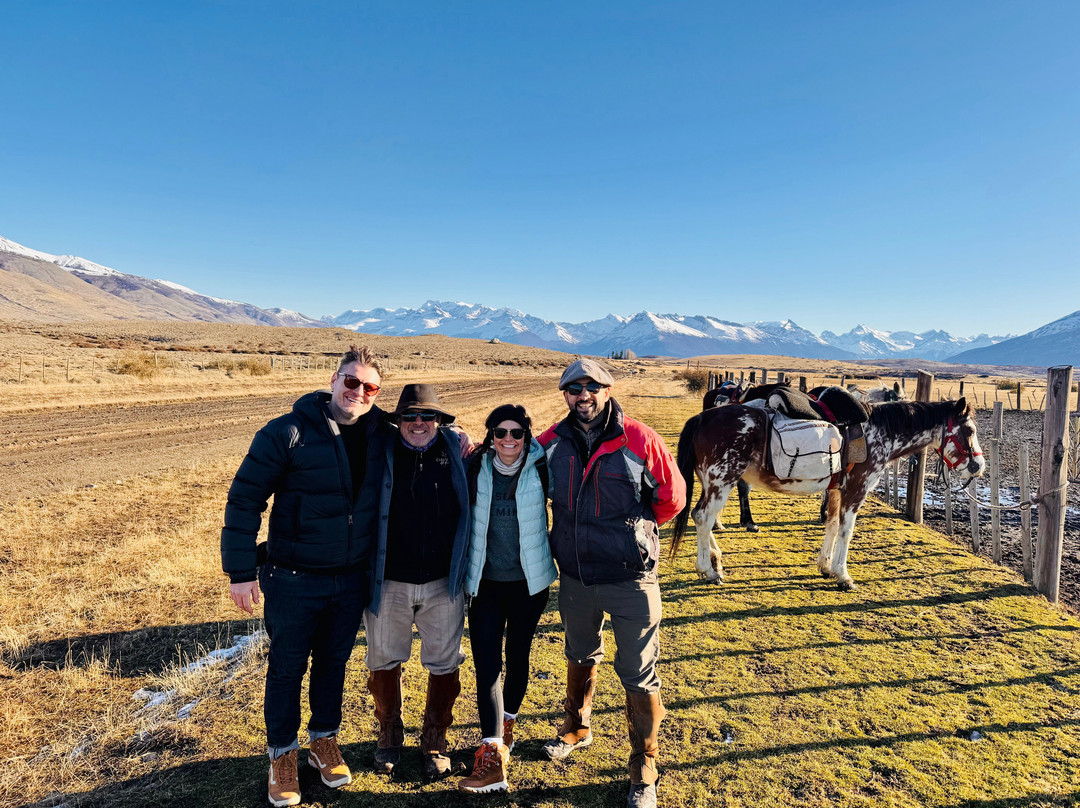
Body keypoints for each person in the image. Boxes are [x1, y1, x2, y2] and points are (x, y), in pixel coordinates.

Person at [221, 344, 386, 808]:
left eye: (368, 386)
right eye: (350, 381)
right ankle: (282, 756)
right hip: (293, 577)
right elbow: (244, 499)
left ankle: (324, 741)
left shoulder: (380, 432)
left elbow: (423, 427)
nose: (357, 392)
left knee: (334, 664)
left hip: (350, 578)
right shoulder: (286, 432)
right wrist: (239, 570)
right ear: (334, 380)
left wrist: (458, 438)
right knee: (288, 667)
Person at [537, 359, 686, 808]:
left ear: (607, 389)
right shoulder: (551, 442)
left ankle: (645, 764)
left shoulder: (639, 438)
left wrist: (632, 536)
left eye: (592, 387)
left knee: (638, 672)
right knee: (579, 653)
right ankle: (577, 727)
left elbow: (672, 497)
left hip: (630, 579)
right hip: (577, 576)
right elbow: (513, 465)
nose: (583, 395)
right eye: (573, 389)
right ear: (564, 394)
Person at [364, 383, 471, 778]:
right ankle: (390, 732)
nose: (419, 423)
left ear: (441, 421)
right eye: (409, 416)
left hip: (444, 579)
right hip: (388, 578)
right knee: (383, 658)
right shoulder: (381, 450)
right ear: (398, 422)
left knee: (444, 661)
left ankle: (435, 738)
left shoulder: (458, 452)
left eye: (428, 416)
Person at [457, 405, 558, 794]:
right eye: (501, 433)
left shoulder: (541, 465)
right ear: (491, 436)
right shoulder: (475, 465)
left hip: (528, 583)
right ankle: (492, 751)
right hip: (484, 583)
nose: (509, 440)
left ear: (528, 435)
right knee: (486, 664)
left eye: (517, 433)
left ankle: (508, 722)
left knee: (518, 656)